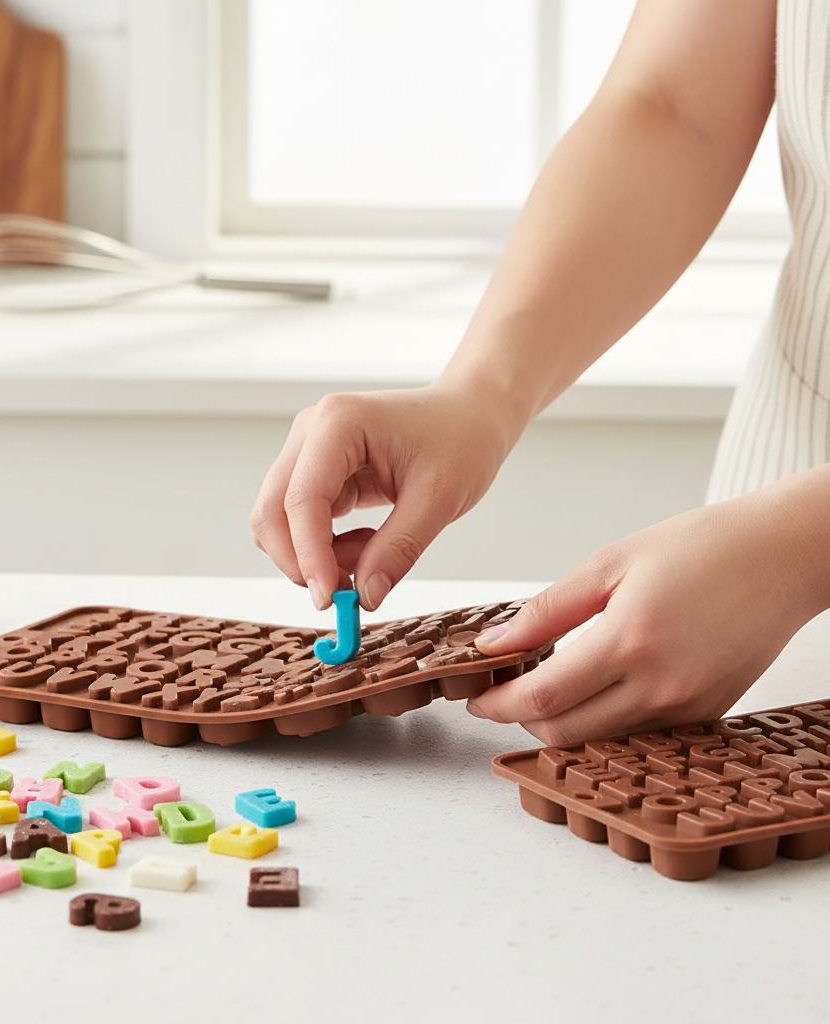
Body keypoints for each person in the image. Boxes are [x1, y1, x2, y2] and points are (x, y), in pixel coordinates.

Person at [250, 0, 830, 747]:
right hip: (784, 460)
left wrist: (799, 548)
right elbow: (673, 107)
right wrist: (480, 394)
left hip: (768, 549)